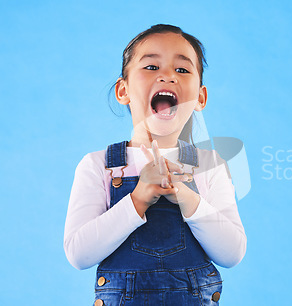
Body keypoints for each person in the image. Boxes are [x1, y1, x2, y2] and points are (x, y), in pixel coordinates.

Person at [64, 24, 246, 305]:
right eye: (151, 66)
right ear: (123, 91)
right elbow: (79, 254)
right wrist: (137, 199)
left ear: (200, 98)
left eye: (182, 70)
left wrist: (187, 198)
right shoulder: (98, 165)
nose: (167, 76)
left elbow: (231, 253)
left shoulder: (210, 165)